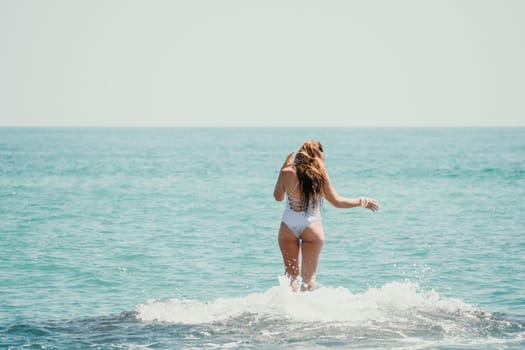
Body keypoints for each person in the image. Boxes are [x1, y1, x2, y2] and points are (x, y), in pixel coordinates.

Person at [273, 140, 380, 292]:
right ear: (318, 154)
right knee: (308, 278)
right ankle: (305, 313)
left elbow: (278, 197)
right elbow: (337, 201)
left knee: (290, 275)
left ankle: (287, 312)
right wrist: (362, 202)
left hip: (288, 226)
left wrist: (282, 169)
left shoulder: (286, 172)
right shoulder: (319, 174)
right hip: (311, 226)